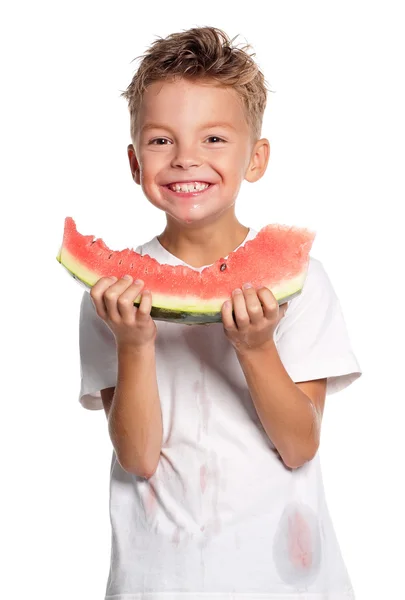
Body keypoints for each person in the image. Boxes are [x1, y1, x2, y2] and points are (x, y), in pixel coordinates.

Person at [78, 26, 362, 599]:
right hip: (159, 579)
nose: (186, 159)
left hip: (286, 581)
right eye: (161, 141)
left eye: (213, 139)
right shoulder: (110, 294)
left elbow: (300, 444)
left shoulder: (301, 283)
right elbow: (137, 457)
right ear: (135, 163)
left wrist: (256, 347)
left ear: (255, 158)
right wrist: (134, 344)